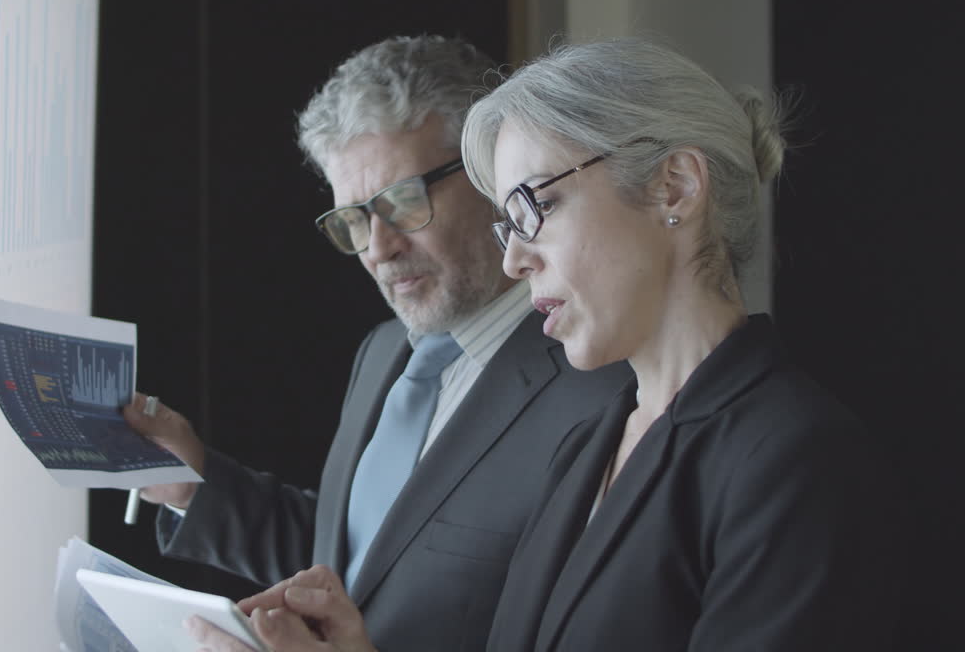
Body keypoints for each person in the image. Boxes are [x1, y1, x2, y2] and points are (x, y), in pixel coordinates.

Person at [188, 38, 903, 651]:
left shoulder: (794, 458)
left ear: (675, 188)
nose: (514, 261)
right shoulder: (592, 445)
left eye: (536, 206)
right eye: (508, 225)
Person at [120, 35, 631, 652]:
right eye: (354, 219)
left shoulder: (601, 385)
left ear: (492, 175)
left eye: (402, 202)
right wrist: (189, 482)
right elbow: (359, 564)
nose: (378, 248)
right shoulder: (385, 352)